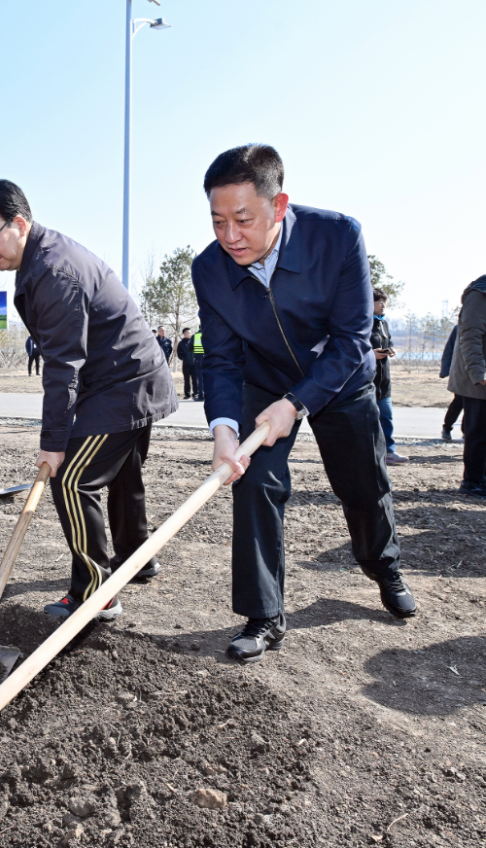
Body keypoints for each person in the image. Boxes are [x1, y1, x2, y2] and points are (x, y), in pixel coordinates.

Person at [192, 144, 416, 664]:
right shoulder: (210, 269)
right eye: (218, 221)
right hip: (264, 378)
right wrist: (224, 428)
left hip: (340, 380)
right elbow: (221, 358)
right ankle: (263, 615)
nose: (230, 236)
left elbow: (352, 338)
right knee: (252, 480)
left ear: (280, 205)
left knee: (362, 483)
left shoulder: (338, 237)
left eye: (243, 220)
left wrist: (299, 402)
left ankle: (384, 565)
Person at [0, 179, 176, 620]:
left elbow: (62, 366)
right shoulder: (40, 258)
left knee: (73, 479)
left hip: (123, 383)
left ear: (19, 223)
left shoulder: (53, 270)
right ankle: (137, 558)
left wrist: (54, 441)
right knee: (120, 470)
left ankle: (94, 593)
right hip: (126, 376)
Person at [448, 276, 486, 498]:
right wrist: (479, 373)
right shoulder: (479, 294)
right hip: (477, 379)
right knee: (478, 432)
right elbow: (470, 335)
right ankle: (472, 482)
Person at [371, 289, 407, 464]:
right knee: (370, 420)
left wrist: (391, 348)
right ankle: (371, 453)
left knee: (387, 416)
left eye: (384, 301)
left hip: (384, 381)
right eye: (379, 301)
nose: (382, 305)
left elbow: (389, 341)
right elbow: (353, 349)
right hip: (368, 381)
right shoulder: (362, 324)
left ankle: (389, 451)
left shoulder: (383, 323)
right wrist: (370, 354)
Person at [439, 325, 462, 441]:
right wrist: (445, 370)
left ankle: (468, 431)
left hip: (479, 373)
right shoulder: (459, 328)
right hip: (461, 372)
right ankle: (447, 427)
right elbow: (449, 349)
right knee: (459, 401)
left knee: (475, 405)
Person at [177, 327, 196, 400]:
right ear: (184, 334)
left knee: (195, 379)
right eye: (188, 333)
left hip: (194, 364)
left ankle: (195, 393)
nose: (189, 334)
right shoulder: (181, 343)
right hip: (186, 364)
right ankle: (187, 394)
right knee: (187, 380)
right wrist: (184, 358)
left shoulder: (195, 341)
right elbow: (179, 354)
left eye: (190, 333)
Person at [191, 327, 205, 400]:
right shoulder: (209, 334)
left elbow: (189, 347)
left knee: (199, 378)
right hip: (208, 358)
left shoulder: (195, 336)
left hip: (198, 359)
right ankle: (208, 395)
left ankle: (201, 395)